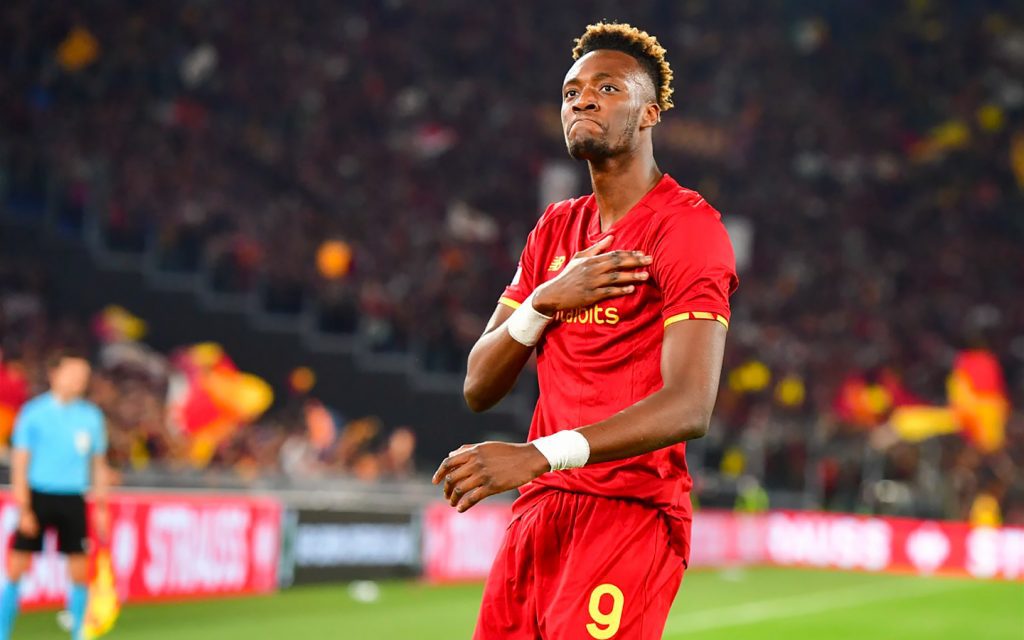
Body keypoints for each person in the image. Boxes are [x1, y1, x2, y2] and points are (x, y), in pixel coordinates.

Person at [432, 22, 738, 638]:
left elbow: (690, 405)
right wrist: (543, 301)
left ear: (650, 112)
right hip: (539, 511)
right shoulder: (553, 230)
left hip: (627, 512)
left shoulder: (687, 228)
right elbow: (478, 385)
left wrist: (537, 455)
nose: (583, 101)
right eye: (571, 92)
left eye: (607, 88)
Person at [1, 349, 110, 640]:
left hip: (73, 499)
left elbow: (98, 465)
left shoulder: (91, 417)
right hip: (38, 496)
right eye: (73, 373)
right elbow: (20, 464)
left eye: (84, 376)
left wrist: (101, 507)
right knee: (16, 568)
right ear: (55, 374)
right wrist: (24, 508)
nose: (79, 380)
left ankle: (78, 632)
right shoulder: (33, 413)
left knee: (79, 571)